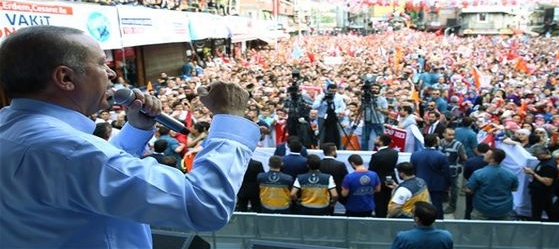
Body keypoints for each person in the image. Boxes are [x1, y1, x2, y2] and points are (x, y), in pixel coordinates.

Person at [0, 26, 260, 248]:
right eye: (102, 64)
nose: (112, 74)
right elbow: (204, 205)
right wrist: (229, 117)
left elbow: (84, 180)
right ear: (65, 78)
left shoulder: (13, 130)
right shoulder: (67, 151)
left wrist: (135, 131)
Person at [465, 148, 519, 220]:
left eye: (486, 154)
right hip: (504, 210)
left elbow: (469, 190)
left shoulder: (478, 173)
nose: (484, 155)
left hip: (482, 209)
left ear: (492, 159)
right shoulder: (511, 174)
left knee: (479, 230)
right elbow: (514, 189)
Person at [410, 134, 450, 219]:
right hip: (437, 186)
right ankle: (439, 225)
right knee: (437, 207)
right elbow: (447, 173)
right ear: (435, 143)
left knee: (420, 207)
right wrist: (448, 185)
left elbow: (412, 170)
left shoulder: (415, 155)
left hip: (419, 185)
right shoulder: (441, 156)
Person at [523, 145, 559, 221]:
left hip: (542, 193)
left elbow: (547, 182)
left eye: (537, 155)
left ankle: (536, 228)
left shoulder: (549, 165)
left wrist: (533, 173)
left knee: (537, 212)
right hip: (540, 192)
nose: (536, 158)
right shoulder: (545, 162)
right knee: (549, 210)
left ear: (542, 154)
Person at [368, 134, 399, 218]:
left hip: (379, 182)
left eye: (377, 139)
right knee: (387, 201)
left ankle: (380, 219)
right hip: (390, 181)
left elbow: (371, 170)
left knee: (379, 203)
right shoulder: (394, 153)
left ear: (381, 142)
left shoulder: (376, 156)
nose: (375, 140)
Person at [439, 127, 467, 214]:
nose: (452, 137)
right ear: (443, 134)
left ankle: (452, 206)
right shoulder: (440, 142)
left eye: (453, 135)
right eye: (449, 135)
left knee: (454, 189)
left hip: (453, 171)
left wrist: (458, 165)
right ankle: (444, 199)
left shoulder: (458, 145)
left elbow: (464, 157)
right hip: (441, 170)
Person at [312, 83, 346, 148]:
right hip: (322, 117)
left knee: (337, 133)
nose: (332, 93)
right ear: (327, 90)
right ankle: (322, 148)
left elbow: (343, 107)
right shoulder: (321, 96)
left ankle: (338, 147)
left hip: (334, 117)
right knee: (322, 134)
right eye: (330, 91)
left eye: (334, 91)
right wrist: (322, 100)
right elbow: (314, 106)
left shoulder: (339, 97)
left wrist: (335, 111)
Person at [462, 142, 490, 219]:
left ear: (477, 150)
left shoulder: (470, 161)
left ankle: (467, 222)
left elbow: (465, 174)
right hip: (486, 186)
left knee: (469, 206)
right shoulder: (490, 162)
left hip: (472, 186)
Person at [319, 142, 349, 211]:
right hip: (338, 192)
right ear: (332, 152)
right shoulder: (340, 165)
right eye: (335, 150)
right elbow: (346, 179)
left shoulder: (319, 163)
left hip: (322, 192)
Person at [360, 83, 388, 151]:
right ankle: (364, 152)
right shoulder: (366, 98)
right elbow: (360, 109)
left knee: (381, 138)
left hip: (378, 121)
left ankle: (383, 151)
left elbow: (386, 112)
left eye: (376, 89)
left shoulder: (382, 99)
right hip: (367, 121)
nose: (374, 90)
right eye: (373, 88)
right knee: (364, 138)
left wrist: (379, 109)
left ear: (379, 90)